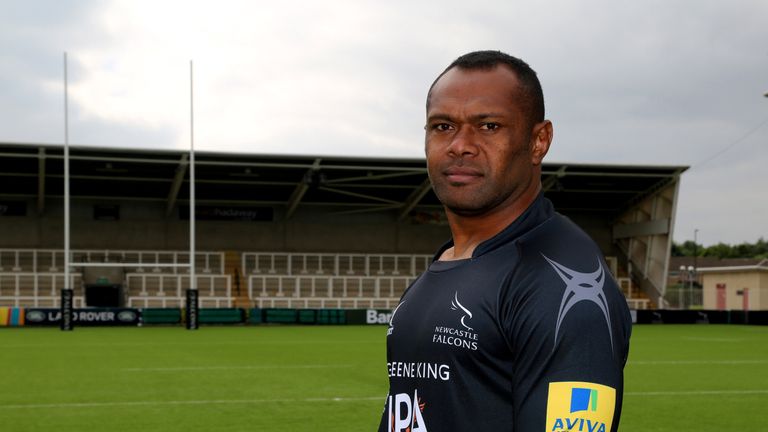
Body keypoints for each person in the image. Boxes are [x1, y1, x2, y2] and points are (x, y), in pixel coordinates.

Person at [378, 50, 632, 432]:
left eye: (489, 126)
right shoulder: (450, 260)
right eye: (443, 126)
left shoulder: (564, 282)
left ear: (538, 141)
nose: (460, 145)